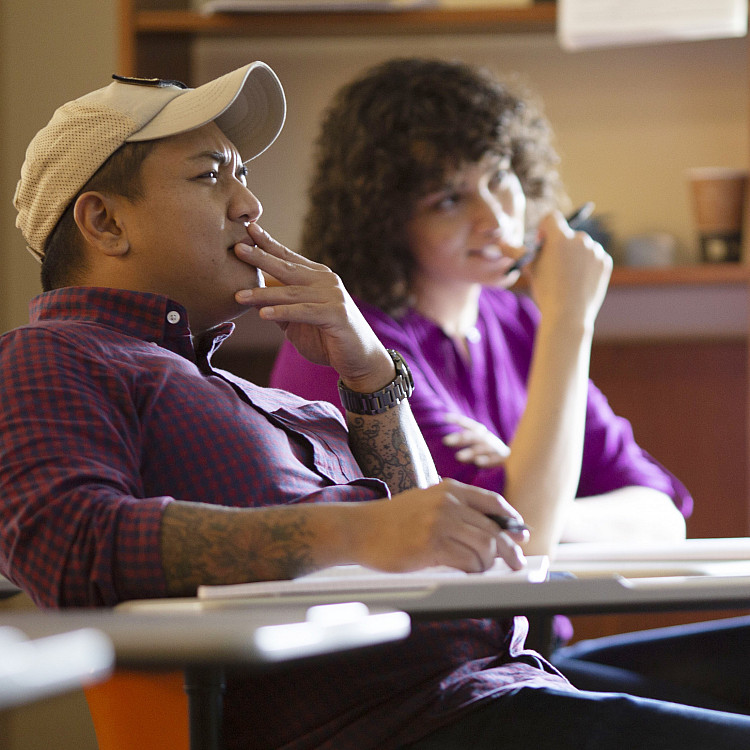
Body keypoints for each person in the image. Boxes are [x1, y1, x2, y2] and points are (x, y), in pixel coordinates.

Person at [2, 62, 750, 750]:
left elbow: (441, 540)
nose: (249, 202)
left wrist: (368, 372)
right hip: (408, 724)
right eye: (211, 176)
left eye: (243, 173)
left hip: (489, 686)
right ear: (104, 223)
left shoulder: (228, 384)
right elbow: (73, 543)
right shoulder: (52, 357)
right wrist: (357, 531)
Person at [269, 57, 750, 713]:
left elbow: (662, 516)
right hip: (434, 688)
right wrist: (572, 318)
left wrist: (529, 496)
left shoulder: (513, 318)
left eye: (500, 179)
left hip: (530, 659)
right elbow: (526, 547)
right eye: (449, 199)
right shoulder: (352, 346)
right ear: (384, 219)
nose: (498, 219)